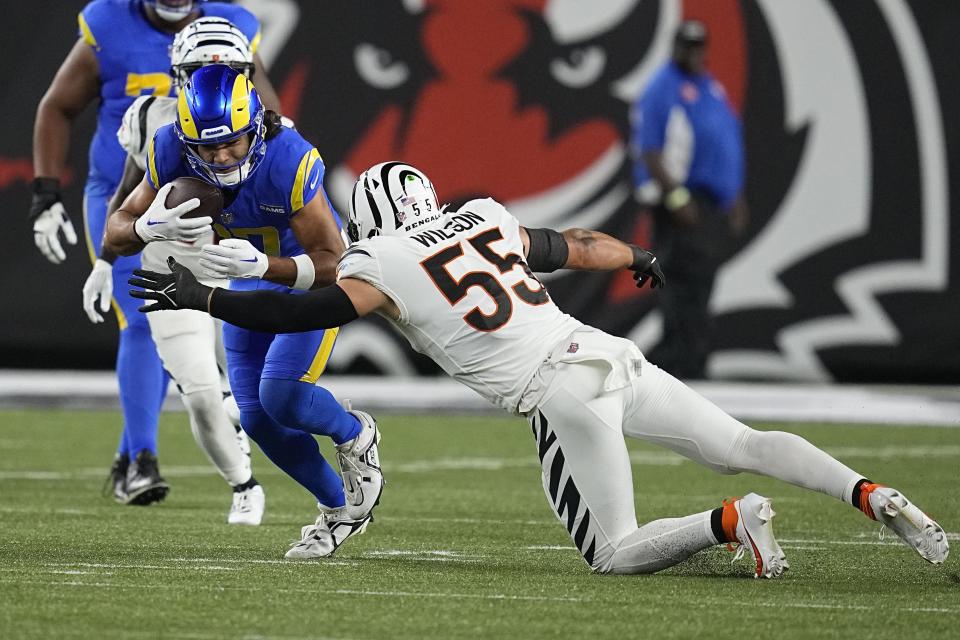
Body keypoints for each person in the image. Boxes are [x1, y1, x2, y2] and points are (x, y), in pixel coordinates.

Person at [131, 161, 948, 574]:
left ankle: (729, 523)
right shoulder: (482, 217)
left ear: (374, 218)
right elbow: (576, 247)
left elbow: (306, 310)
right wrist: (639, 253)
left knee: (614, 552)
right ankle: (869, 493)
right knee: (742, 437)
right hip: (606, 352)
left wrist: (203, 299)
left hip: (558, 394)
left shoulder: (380, 256)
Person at [104, 64, 383, 557]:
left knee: (282, 395)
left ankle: (355, 432)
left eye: (232, 141)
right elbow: (116, 230)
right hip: (246, 274)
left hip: (302, 277)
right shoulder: (169, 148)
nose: (222, 155)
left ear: (255, 126)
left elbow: (333, 263)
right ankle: (341, 508)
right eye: (207, 148)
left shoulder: (288, 160)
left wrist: (265, 265)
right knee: (255, 418)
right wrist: (148, 228)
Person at [31, 0, 280, 505]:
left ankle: (152, 442)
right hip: (125, 193)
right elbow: (57, 106)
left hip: (205, 195)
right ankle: (140, 460)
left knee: (199, 314)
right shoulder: (107, 24)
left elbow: (272, 119)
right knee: (144, 318)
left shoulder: (232, 26)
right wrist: (45, 194)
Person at [83, 17, 265, 523]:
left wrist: (271, 265)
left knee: (260, 393)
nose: (214, 81)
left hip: (238, 267)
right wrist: (106, 257)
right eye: (201, 71)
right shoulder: (150, 121)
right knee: (204, 400)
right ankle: (244, 486)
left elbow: (294, 213)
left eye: (229, 70)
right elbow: (123, 197)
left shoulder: (269, 131)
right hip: (170, 274)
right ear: (177, 75)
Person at [630, 20, 747, 379]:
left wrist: (734, 195)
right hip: (681, 200)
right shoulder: (662, 88)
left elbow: (725, 141)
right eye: (687, 46)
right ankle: (678, 367)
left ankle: (695, 363)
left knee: (701, 283)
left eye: (699, 46)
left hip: (710, 202)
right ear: (675, 47)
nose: (694, 53)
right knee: (680, 282)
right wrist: (676, 195)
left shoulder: (709, 86)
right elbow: (649, 150)